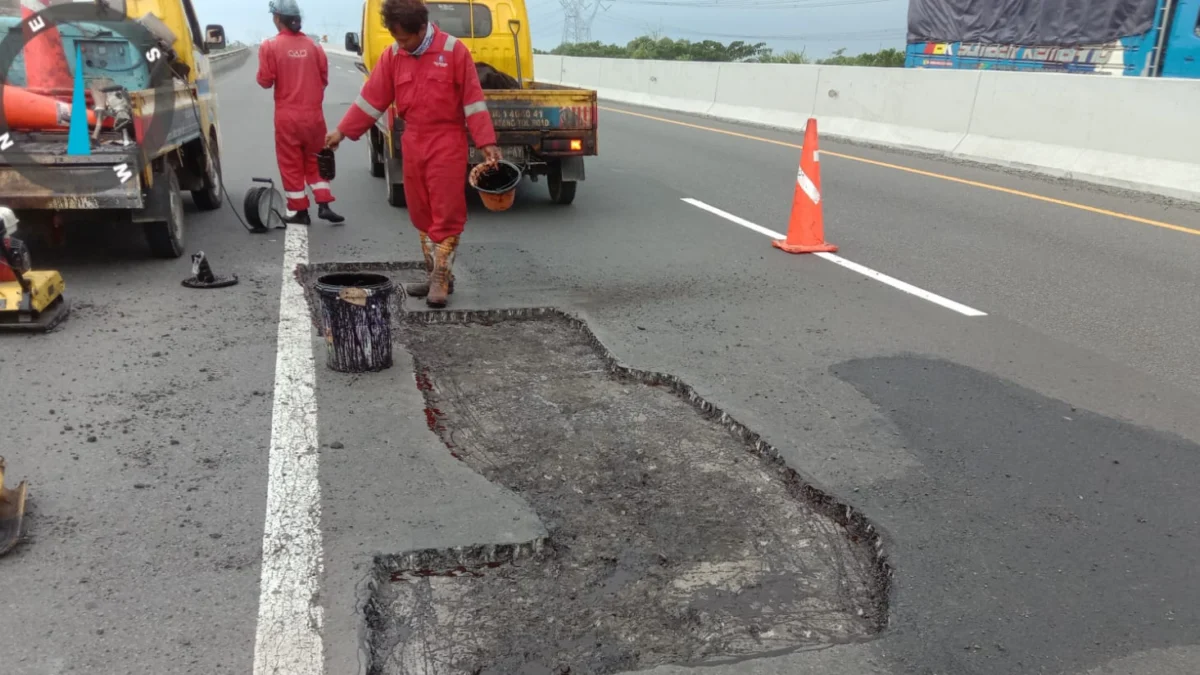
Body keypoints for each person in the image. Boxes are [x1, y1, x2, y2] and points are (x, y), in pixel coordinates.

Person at [325, 0, 501, 308]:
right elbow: (371, 99)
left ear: (422, 28)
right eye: (395, 37)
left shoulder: (454, 51)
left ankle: (440, 281)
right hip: (413, 139)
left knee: (446, 211)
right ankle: (436, 272)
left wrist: (486, 141)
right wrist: (342, 132)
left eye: (405, 38)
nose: (400, 44)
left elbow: (473, 101)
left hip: (447, 140)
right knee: (420, 211)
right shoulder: (394, 56)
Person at [256, 0, 344, 226]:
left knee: (290, 163)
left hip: (287, 118)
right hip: (314, 117)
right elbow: (324, 79)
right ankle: (324, 204)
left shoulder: (270, 46)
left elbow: (265, 81)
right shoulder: (315, 46)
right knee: (316, 159)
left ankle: (300, 212)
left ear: (277, 18)